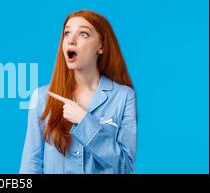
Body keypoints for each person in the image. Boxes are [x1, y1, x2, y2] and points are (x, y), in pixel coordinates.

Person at [20, 10, 137, 174]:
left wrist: (85, 122)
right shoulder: (41, 98)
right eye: (67, 33)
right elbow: (30, 166)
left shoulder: (124, 97)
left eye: (83, 34)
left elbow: (125, 168)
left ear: (101, 46)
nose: (71, 40)